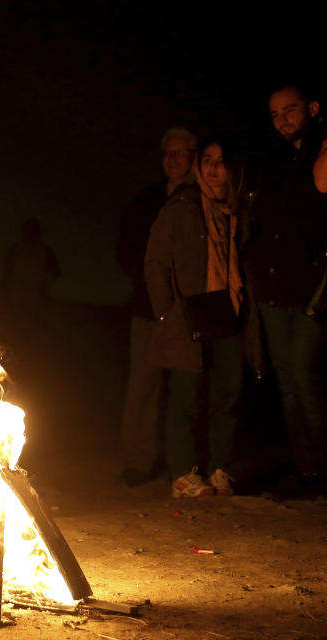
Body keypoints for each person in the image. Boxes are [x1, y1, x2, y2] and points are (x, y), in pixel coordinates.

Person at [145, 137, 252, 498]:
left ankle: (222, 468)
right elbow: (155, 263)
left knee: (228, 394)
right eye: (206, 159)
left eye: (220, 161)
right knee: (186, 396)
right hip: (191, 311)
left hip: (230, 309)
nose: (212, 167)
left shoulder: (239, 210)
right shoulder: (181, 207)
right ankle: (182, 473)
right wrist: (168, 313)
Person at [242, 85, 327, 497]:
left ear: (311, 108)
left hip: (311, 291)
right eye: (275, 114)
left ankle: (318, 470)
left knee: (303, 375)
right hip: (273, 289)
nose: (283, 120)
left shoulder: (319, 152)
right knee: (289, 381)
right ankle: (304, 468)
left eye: (290, 111)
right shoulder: (275, 161)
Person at [115, 127, 197, 486]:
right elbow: (127, 248)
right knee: (142, 386)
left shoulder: (203, 197)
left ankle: (187, 463)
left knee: (187, 389)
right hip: (148, 308)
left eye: (181, 153)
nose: (173, 159)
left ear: (193, 157)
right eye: (168, 153)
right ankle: (138, 460)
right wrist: (149, 283)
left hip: (192, 310)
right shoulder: (147, 199)